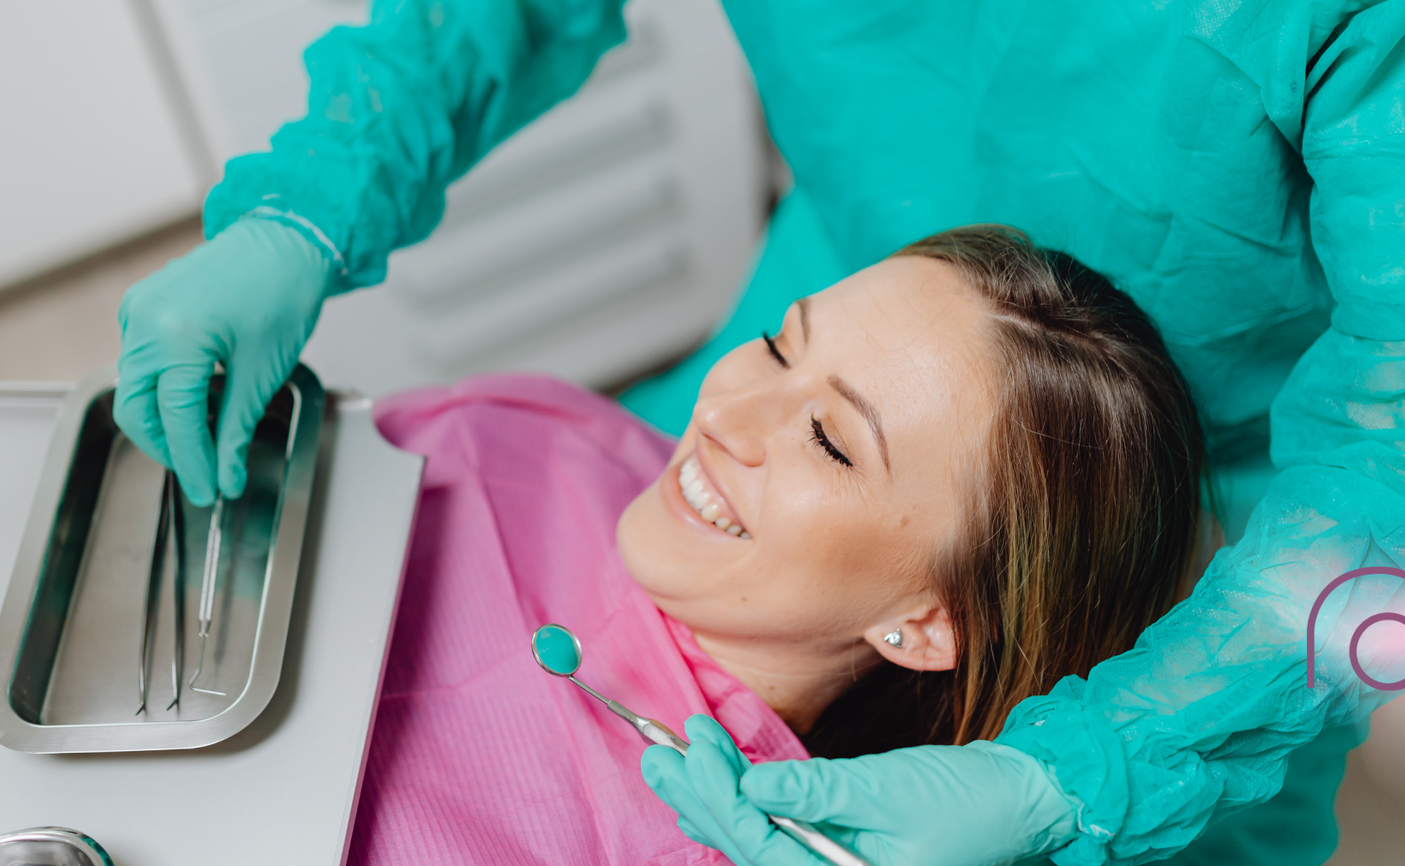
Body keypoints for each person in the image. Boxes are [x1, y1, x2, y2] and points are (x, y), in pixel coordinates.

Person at [112, 0, 1405, 863]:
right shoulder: (645, 422)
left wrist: (1103, 769)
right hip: (850, 297)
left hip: (1215, 528)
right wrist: (300, 209)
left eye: (804, 411)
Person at [352, 227, 1203, 864]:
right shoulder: (533, 430)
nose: (721, 411)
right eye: (776, 346)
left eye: (830, 441)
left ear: (929, 621)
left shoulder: (729, 841)